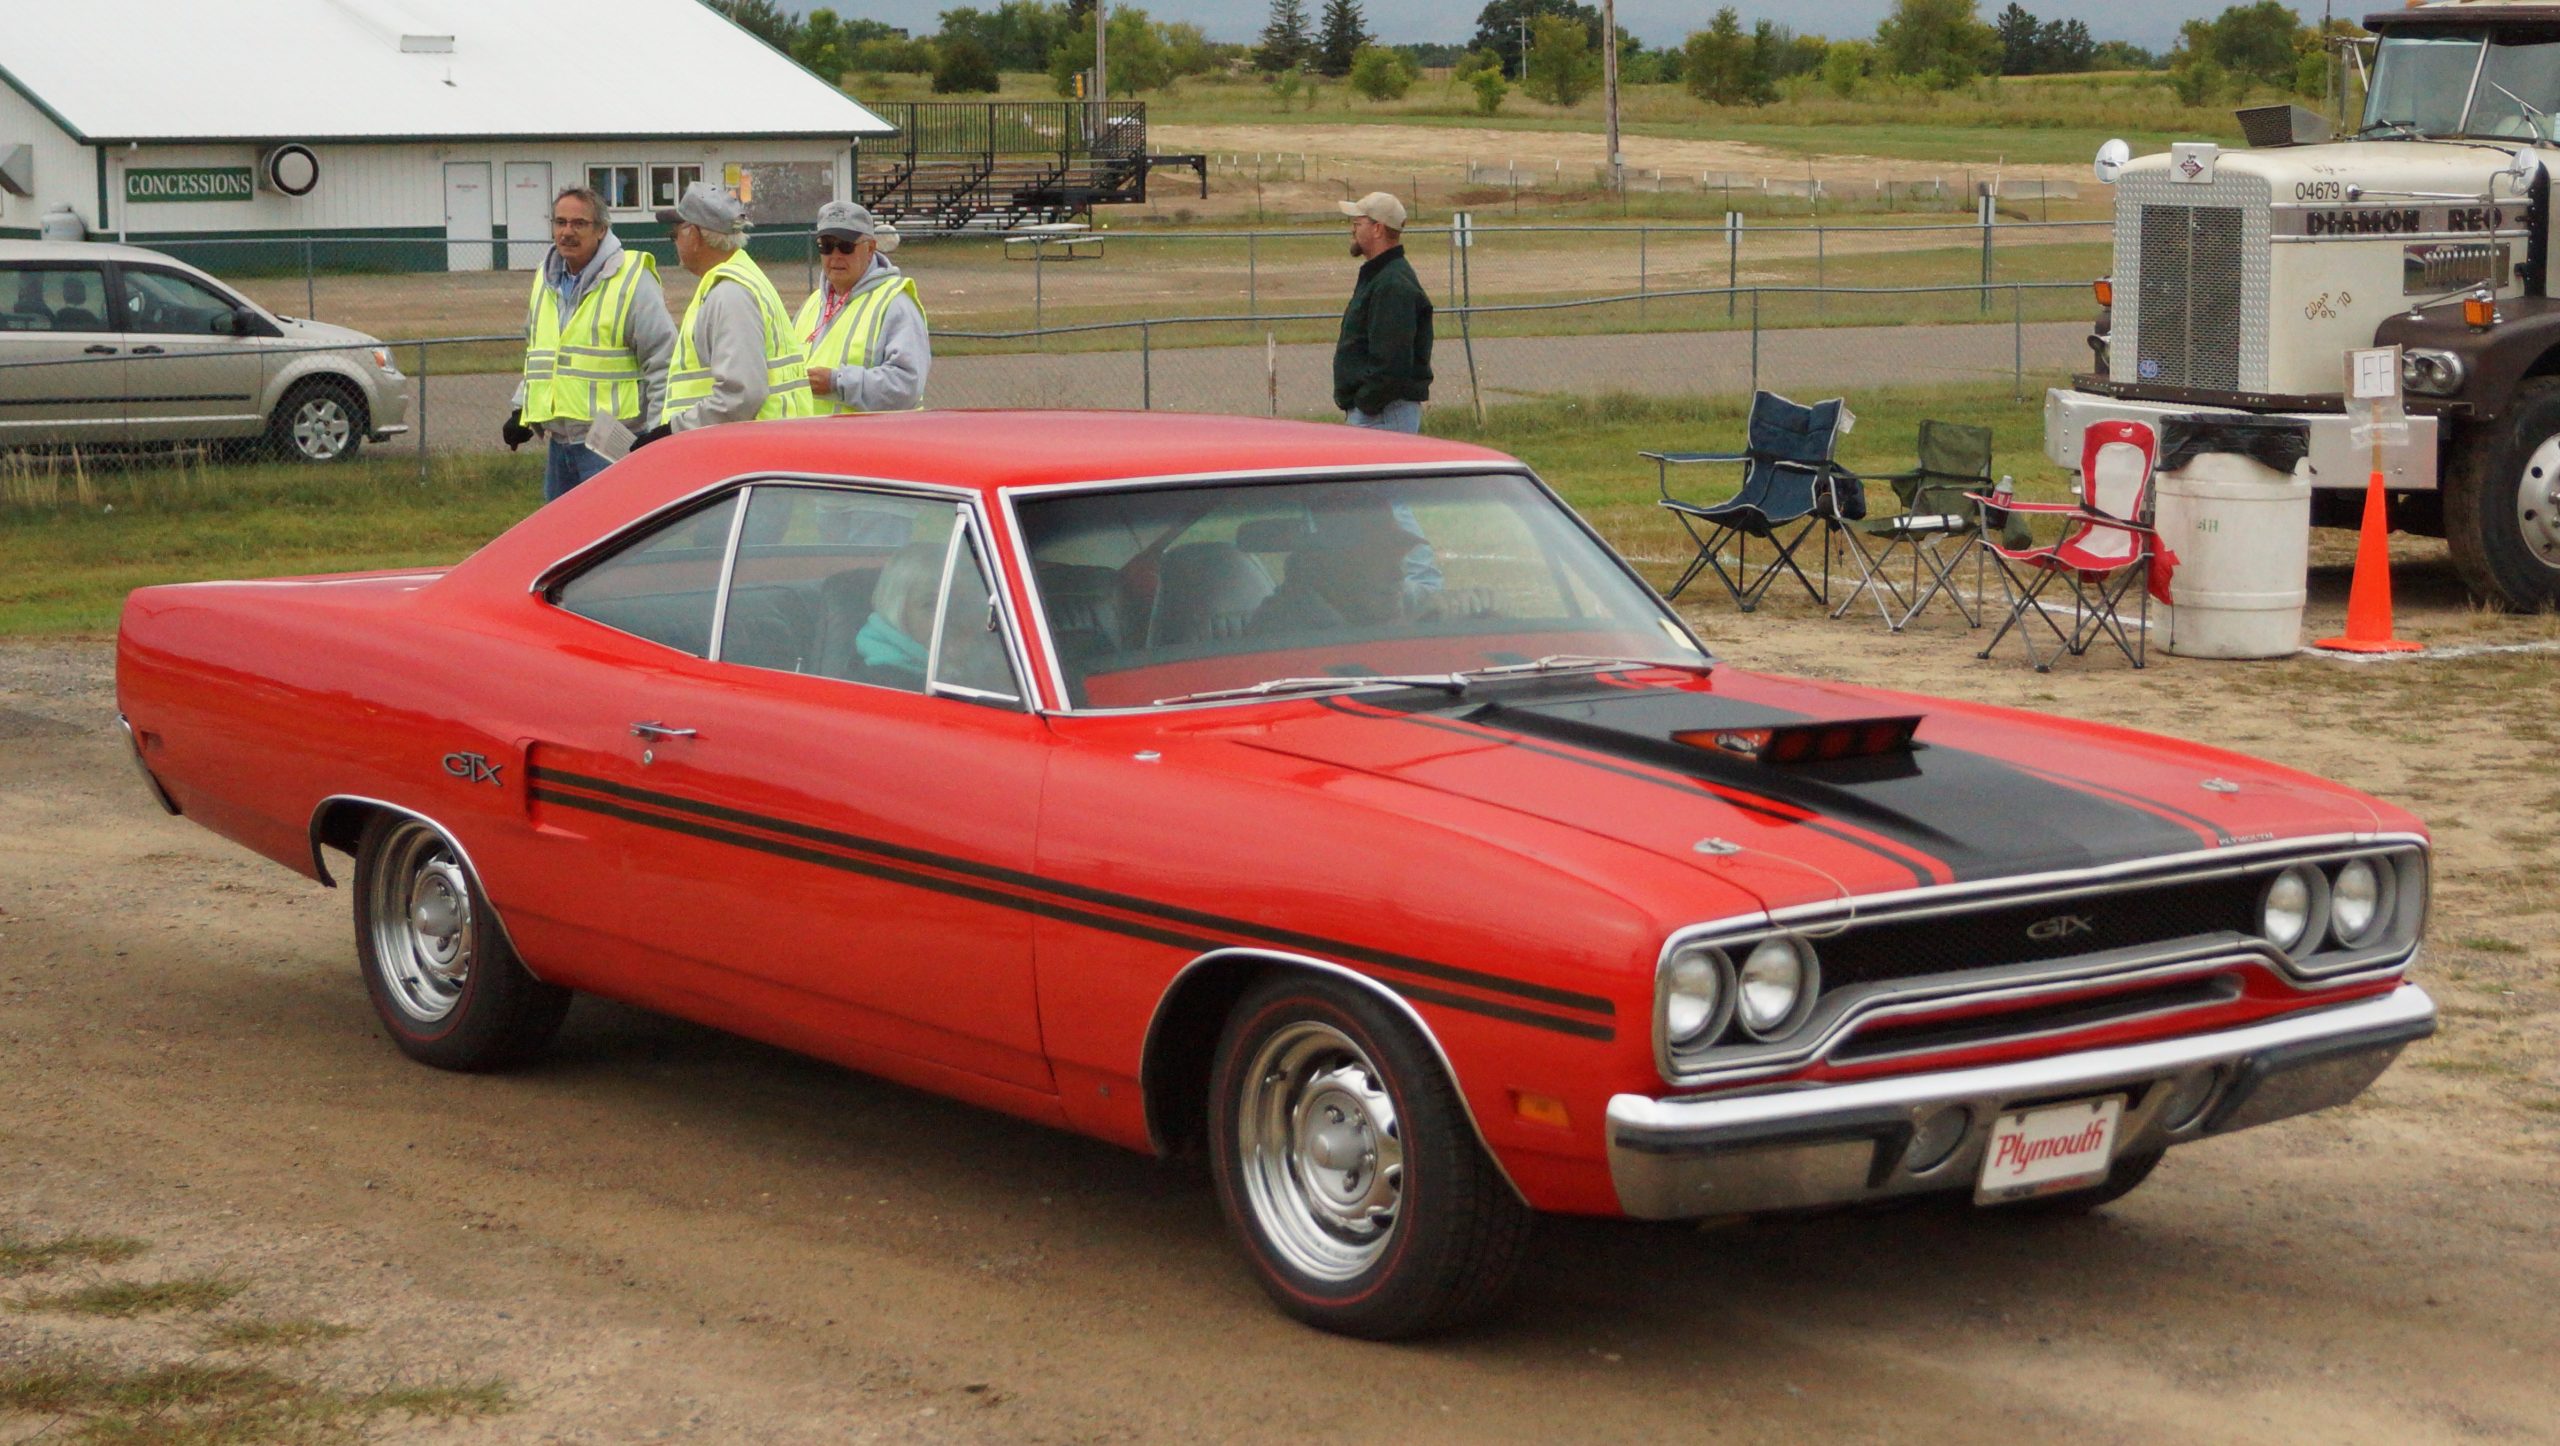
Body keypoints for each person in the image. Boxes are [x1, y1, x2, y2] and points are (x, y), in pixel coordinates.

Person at [503, 186, 677, 501]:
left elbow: (663, 359)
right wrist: (521, 410)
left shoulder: (632, 279)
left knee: (615, 541)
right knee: (563, 541)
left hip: (613, 445)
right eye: (560, 222)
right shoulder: (546, 280)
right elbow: (542, 356)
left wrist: (658, 433)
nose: (567, 232)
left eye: (579, 224)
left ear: (601, 230)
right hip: (560, 446)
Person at [632, 182, 813, 448]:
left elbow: (740, 395)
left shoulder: (730, 293)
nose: (675, 242)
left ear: (692, 234)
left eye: (674, 234)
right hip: (756, 450)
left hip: (746, 455)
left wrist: (674, 431)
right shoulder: (736, 280)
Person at [796, 201, 930, 414]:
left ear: (870, 249)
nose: (836, 255)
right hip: (811, 442)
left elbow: (907, 386)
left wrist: (836, 383)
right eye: (827, 246)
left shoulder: (895, 304)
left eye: (846, 246)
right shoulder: (812, 304)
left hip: (868, 444)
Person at [1333, 191, 1434, 434]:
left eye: (1357, 223)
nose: (1352, 230)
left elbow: (1392, 363)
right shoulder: (1380, 276)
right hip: (1378, 414)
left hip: (1384, 416)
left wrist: (1366, 403)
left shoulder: (1392, 285)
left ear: (1377, 229)